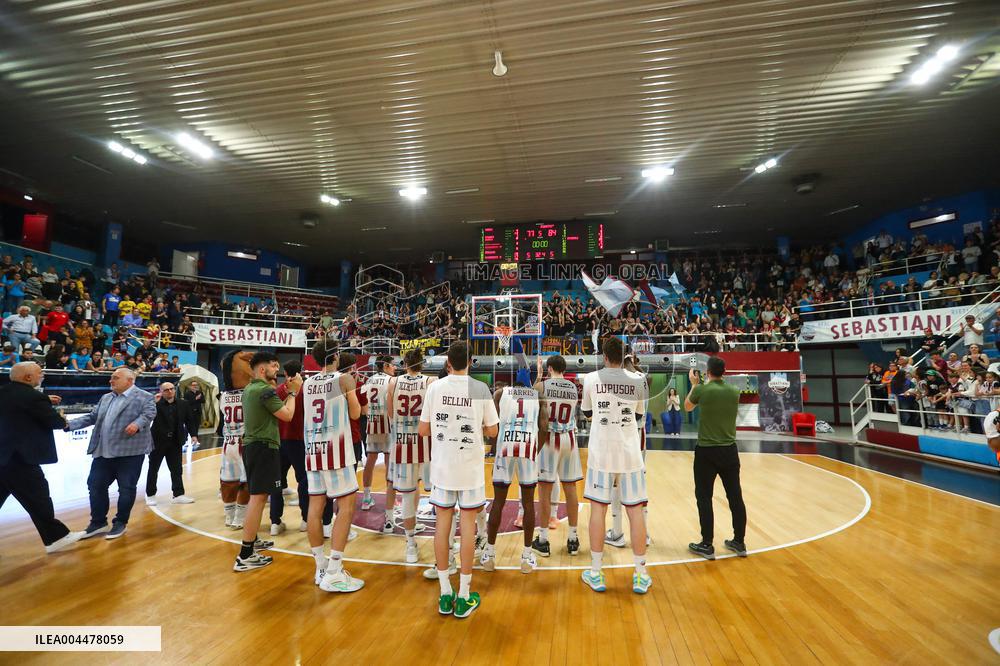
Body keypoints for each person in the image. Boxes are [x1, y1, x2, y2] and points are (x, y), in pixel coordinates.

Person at [418, 341, 498, 619]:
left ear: (447, 363)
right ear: (471, 361)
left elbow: (423, 429)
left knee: (442, 528)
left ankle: (444, 593)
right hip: (470, 469)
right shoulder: (480, 388)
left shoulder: (435, 388)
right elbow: (493, 430)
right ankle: (464, 595)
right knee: (467, 529)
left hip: (442, 468)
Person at [579, 337, 651, 594]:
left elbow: (587, 413)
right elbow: (640, 416)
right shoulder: (638, 380)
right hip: (630, 453)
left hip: (601, 453)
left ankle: (596, 573)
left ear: (604, 356)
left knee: (598, 509)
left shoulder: (590, 379)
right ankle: (641, 573)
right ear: (626, 356)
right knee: (635, 511)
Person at [0, 362, 84, 554]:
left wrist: (43, 399)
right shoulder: (33, 397)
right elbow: (55, 422)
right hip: (21, 460)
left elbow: (17, 405)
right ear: (28, 377)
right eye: (40, 373)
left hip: (3, 458)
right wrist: (60, 417)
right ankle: (57, 538)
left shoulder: (4, 392)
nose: (42, 375)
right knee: (38, 499)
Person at [65, 367, 158, 540]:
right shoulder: (106, 397)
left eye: (115, 378)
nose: (111, 380)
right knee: (95, 485)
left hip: (130, 452)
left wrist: (137, 424)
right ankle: (98, 522)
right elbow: (92, 417)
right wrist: (69, 425)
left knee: (126, 488)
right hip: (103, 451)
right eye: (111, 378)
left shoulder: (145, 396)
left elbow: (149, 414)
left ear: (129, 381)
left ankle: (120, 522)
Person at [302, 339, 364, 592]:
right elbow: (356, 413)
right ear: (336, 355)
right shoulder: (344, 379)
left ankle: (320, 567)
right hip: (336, 451)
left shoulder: (307, 383)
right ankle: (335, 571)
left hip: (313, 451)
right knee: (346, 507)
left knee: (315, 508)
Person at [232, 351, 302, 572]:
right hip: (263, 447)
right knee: (258, 498)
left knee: (259, 498)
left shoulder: (251, 389)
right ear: (262, 370)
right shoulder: (264, 390)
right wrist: (293, 392)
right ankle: (245, 554)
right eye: (273, 366)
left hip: (255, 446)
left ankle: (252, 540)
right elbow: (287, 415)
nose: (277, 370)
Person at [481, 375, 545, 574]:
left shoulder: (501, 392)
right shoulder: (538, 396)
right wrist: (536, 450)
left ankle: (490, 554)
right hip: (528, 446)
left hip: (505, 447)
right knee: (527, 503)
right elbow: (544, 427)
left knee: (498, 502)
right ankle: (526, 557)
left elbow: (491, 424)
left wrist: (494, 447)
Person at [684, 356, 748, 560]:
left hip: (706, 451)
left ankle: (707, 544)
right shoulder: (734, 391)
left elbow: (687, 406)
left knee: (704, 497)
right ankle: (739, 541)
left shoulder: (702, 389)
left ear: (707, 372)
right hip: (729, 450)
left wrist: (694, 385)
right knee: (735, 497)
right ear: (725, 371)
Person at [385, 347, 434, 564]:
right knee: (439, 495)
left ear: (405, 364)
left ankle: (410, 544)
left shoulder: (393, 383)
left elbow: (389, 412)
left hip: (403, 444)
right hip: (427, 443)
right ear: (422, 363)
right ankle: (447, 546)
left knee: (406, 496)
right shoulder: (430, 382)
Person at [533, 354, 583, 557]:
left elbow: (532, 398)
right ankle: (573, 538)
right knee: (570, 488)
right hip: (569, 439)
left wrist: (538, 375)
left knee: (544, 490)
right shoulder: (572, 388)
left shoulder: (542, 386)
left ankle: (543, 540)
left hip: (549, 439)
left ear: (550, 368)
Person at [144, 382, 199, 506]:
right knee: (153, 468)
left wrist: (194, 435)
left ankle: (178, 494)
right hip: (157, 441)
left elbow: (190, 420)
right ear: (161, 391)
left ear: (175, 390)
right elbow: (146, 416)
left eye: (171, 389)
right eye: (166, 390)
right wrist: (154, 403)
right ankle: (151, 494)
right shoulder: (155, 404)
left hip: (176, 441)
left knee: (176, 469)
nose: (169, 391)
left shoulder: (183, 404)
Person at [269, 360, 308, 536]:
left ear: (285, 373)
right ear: (300, 371)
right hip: (298, 441)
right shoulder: (305, 389)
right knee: (304, 481)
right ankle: (306, 520)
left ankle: (275, 522)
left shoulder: (278, 390)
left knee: (276, 481)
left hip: (279, 441)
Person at [360, 355, 397, 534]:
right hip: (388, 424)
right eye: (392, 365)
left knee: (370, 461)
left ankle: (366, 497)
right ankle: (392, 502)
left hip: (372, 424)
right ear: (385, 366)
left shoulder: (368, 380)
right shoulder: (392, 381)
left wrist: (369, 416)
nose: (395, 368)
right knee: (390, 463)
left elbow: (362, 405)